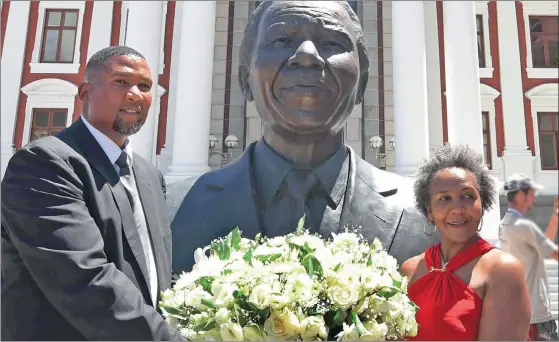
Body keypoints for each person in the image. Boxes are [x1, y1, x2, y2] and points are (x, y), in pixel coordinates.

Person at [168, 0, 437, 273]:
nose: (307, 55)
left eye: (332, 43)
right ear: (244, 80)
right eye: (282, 39)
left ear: (362, 85)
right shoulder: (170, 210)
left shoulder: (424, 213)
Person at [1, 46, 184, 341]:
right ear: (85, 92)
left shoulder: (149, 176)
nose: (136, 93)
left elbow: (156, 273)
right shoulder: (44, 164)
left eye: (146, 86)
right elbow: (84, 281)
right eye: (121, 82)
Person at [400, 145, 531, 341]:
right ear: (429, 210)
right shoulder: (409, 270)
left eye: (467, 196)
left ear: (483, 202)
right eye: (444, 198)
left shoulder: (502, 270)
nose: (458, 208)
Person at [499, 173, 558, 341]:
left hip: (518, 312)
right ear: (519, 195)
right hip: (537, 314)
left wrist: (555, 216)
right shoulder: (523, 226)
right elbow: (554, 253)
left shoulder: (503, 224)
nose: (533, 198)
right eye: (531, 194)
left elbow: (543, 247)